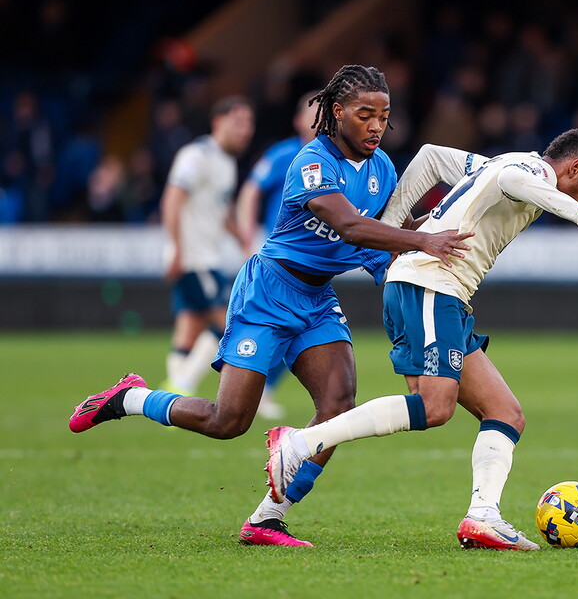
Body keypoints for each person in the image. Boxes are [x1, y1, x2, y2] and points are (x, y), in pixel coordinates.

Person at [69, 65, 472, 548]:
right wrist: (423, 239)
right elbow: (349, 226)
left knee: (338, 404)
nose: (376, 126)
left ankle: (267, 517)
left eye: (384, 116)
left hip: (318, 298)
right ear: (337, 112)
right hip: (269, 292)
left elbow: (379, 246)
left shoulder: (382, 168)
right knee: (228, 421)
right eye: (365, 114)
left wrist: (417, 297)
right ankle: (129, 399)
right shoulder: (311, 162)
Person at [262, 128, 578, 550]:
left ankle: (483, 516)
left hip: (434, 292)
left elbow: (430, 156)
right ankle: (299, 442)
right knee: (435, 406)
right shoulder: (529, 170)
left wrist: (390, 226)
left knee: (505, 412)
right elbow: (517, 184)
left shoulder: (497, 161)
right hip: (433, 288)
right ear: (574, 168)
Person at [159, 96, 255, 398]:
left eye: (249, 125)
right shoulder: (196, 155)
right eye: (238, 123)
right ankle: (181, 385)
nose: (244, 131)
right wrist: (176, 248)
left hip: (204, 257)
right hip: (193, 257)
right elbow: (172, 199)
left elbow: (220, 206)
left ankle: (173, 397)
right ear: (218, 122)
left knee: (190, 326)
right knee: (231, 320)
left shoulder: (226, 162)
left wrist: (240, 237)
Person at [235, 90, 320, 419]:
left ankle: (258, 390)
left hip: (309, 265)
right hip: (278, 261)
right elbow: (250, 191)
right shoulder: (285, 154)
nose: (318, 123)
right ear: (298, 120)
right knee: (277, 327)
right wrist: (247, 237)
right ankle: (244, 388)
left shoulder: (338, 160)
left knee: (295, 328)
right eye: (312, 116)